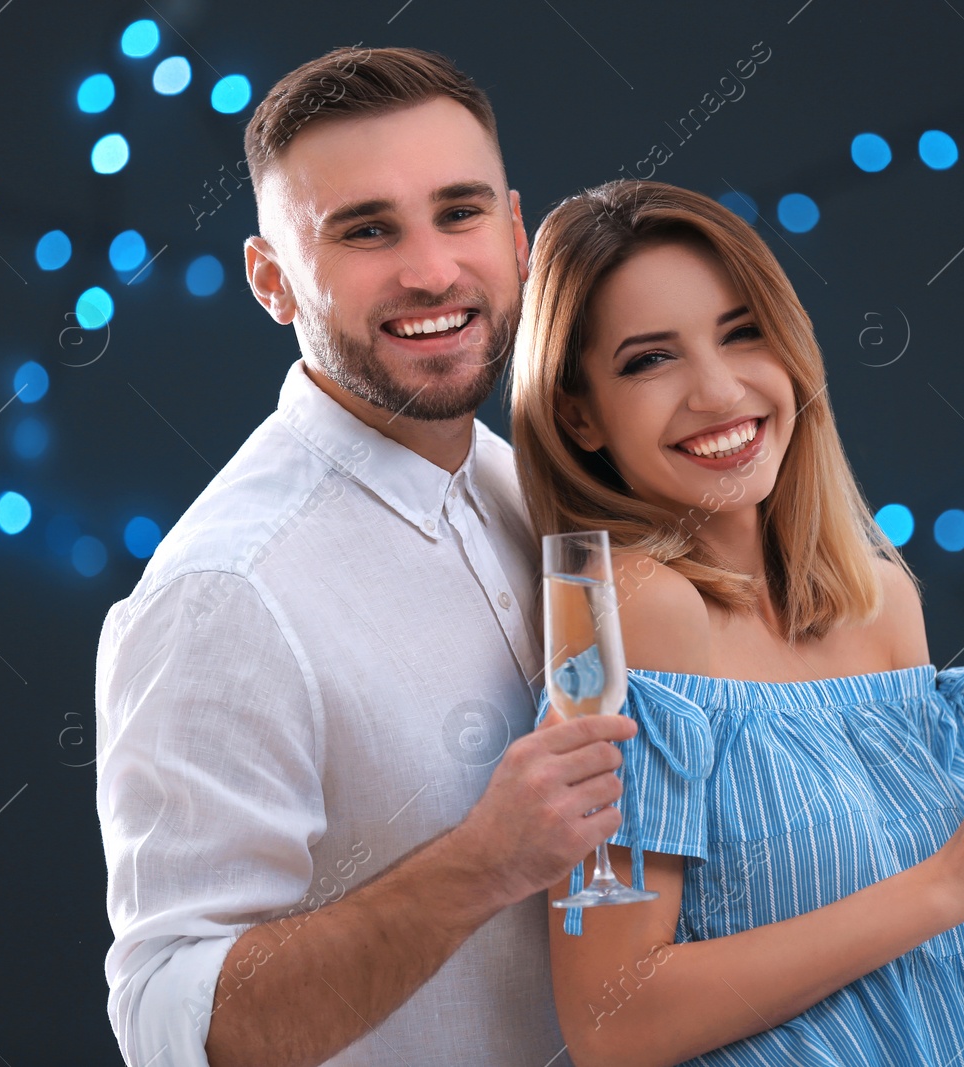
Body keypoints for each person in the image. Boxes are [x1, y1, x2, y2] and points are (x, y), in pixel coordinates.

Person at [508, 180, 964, 1066]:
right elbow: (614, 1022)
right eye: (648, 360)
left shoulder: (881, 598)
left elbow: (960, 947)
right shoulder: (627, 616)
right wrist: (951, 875)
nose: (717, 389)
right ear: (578, 412)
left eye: (742, 333)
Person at [94, 46, 632, 1067]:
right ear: (271, 279)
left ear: (517, 235)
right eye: (366, 231)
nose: (431, 270)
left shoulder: (535, 486)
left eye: (460, 213)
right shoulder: (225, 592)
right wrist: (477, 864)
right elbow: (171, 1026)